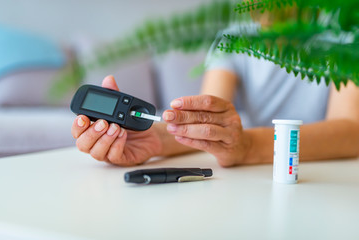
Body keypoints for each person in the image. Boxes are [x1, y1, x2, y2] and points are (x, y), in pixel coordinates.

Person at [71, 47, 359, 167]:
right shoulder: (234, 40)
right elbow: (208, 123)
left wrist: (246, 147)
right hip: (262, 172)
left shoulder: (347, 33)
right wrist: (154, 138)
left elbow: (351, 131)